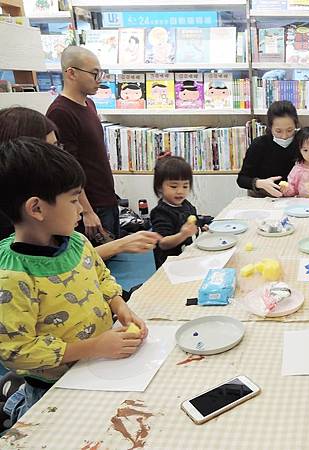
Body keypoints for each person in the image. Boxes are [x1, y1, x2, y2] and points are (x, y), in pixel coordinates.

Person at [0, 138, 147, 424]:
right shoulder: (12, 276)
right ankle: (16, 401)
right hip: (55, 388)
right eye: (73, 199)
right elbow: (17, 351)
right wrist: (94, 347)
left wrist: (119, 306)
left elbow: (101, 277)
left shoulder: (78, 242)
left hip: (100, 363)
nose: (81, 208)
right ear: (37, 209)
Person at [0, 107, 161, 260]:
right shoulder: (15, 240)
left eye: (58, 147)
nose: (58, 156)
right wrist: (118, 245)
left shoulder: (70, 233)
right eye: (49, 149)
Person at [46, 46, 120, 243]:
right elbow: (67, 169)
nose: (100, 79)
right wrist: (86, 211)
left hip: (106, 198)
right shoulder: (60, 112)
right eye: (95, 73)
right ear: (71, 73)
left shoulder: (89, 104)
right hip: (91, 206)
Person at [236, 100, 299, 198]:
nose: (284, 136)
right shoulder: (259, 145)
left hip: (294, 198)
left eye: (290, 130)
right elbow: (242, 179)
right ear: (270, 127)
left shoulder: (302, 143)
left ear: (296, 125)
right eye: (278, 131)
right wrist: (260, 183)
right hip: (262, 198)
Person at [150, 155, 199, 269]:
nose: (180, 191)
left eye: (185, 186)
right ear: (159, 187)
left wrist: (203, 225)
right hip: (170, 267)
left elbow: (195, 221)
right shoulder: (160, 212)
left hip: (189, 260)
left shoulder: (186, 205)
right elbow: (163, 243)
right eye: (173, 186)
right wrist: (183, 235)